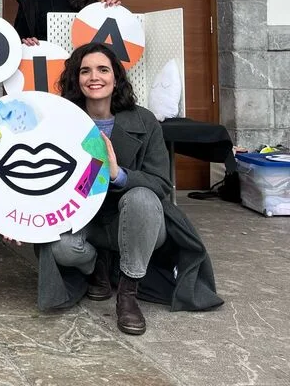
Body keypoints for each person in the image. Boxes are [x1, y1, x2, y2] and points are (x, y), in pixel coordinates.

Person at [37, 42, 222, 334]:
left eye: (102, 69)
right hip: (86, 221)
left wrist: (118, 174)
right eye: (85, 71)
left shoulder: (145, 121)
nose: (94, 77)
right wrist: (16, 218)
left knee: (142, 198)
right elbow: (41, 182)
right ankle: (95, 265)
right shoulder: (61, 122)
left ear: (116, 77)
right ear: (76, 78)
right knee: (60, 248)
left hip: (138, 220)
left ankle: (127, 293)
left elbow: (161, 184)